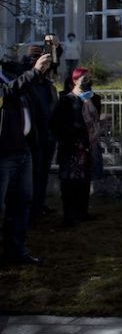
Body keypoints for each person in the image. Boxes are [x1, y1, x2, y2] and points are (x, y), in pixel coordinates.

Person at [0, 52, 52, 265]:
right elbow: (8, 92)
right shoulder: (8, 83)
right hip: (2, 153)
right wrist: (35, 72)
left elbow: (25, 80)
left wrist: (44, 64)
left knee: (21, 205)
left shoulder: (8, 73)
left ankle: (17, 251)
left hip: (23, 150)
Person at [52, 68, 103, 227]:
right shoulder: (66, 101)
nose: (88, 82)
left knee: (84, 180)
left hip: (87, 145)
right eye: (84, 79)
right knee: (70, 182)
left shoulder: (93, 99)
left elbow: (95, 120)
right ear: (75, 80)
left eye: (89, 79)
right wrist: (75, 131)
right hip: (71, 147)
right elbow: (57, 124)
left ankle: (82, 212)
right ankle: (69, 215)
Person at [22, 45, 59, 225]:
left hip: (48, 136)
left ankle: (40, 204)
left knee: (43, 173)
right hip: (33, 138)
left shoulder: (48, 85)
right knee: (33, 175)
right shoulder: (28, 84)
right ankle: (31, 211)